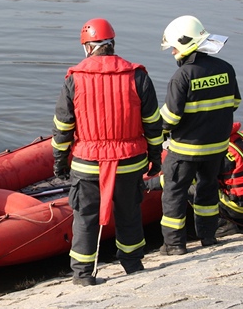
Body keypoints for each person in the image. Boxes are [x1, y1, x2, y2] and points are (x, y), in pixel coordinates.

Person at [52, 18, 163, 286]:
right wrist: (155, 158)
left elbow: (62, 127)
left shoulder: (74, 79)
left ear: (88, 47)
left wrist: (60, 163)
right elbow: (153, 124)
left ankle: (82, 274)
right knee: (129, 213)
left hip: (87, 163)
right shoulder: (138, 75)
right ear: (111, 44)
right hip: (129, 162)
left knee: (85, 218)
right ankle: (133, 265)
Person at [159, 15, 241, 255]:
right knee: (207, 190)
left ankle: (174, 245)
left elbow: (170, 119)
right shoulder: (226, 69)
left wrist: (153, 130)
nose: (173, 51)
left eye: (174, 47)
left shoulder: (182, 76)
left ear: (185, 45)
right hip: (216, 148)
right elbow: (234, 102)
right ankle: (208, 237)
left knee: (174, 194)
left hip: (185, 150)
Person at [145, 122, 243, 237]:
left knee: (193, 188)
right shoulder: (239, 139)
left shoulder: (212, 150)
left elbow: (180, 179)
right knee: (222, 180)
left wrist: (147, 184)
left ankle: (222, 225)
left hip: (238, 206)